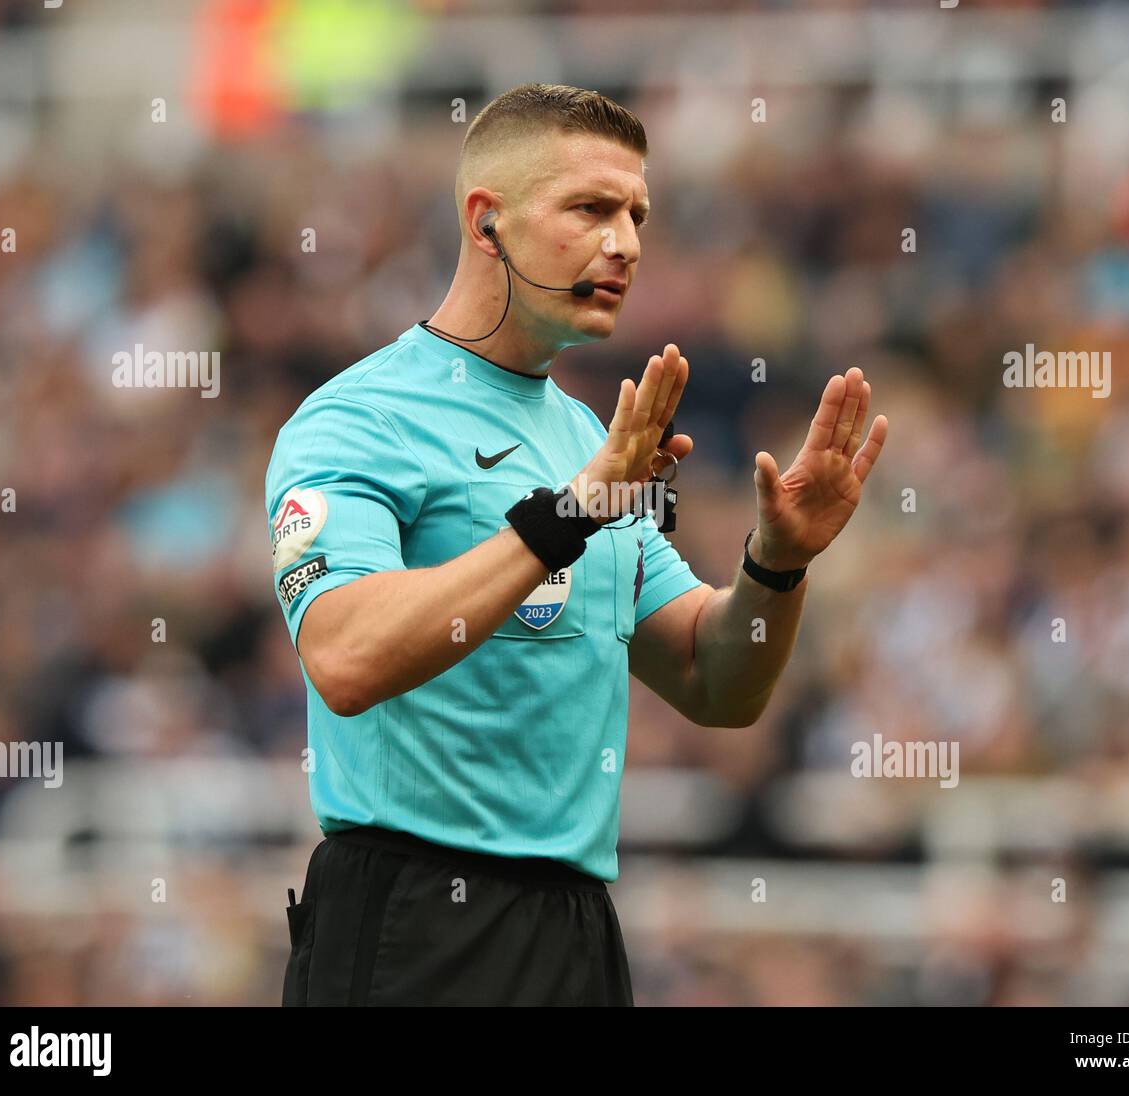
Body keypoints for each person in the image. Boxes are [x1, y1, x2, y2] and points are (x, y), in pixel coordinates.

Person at [266, 83, 887, 1006]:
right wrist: (570, 513)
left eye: (637, 214)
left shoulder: (590, 438)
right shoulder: (357, 420)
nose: (627, 242)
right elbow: (346, 658)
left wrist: (776, 563)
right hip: (416, 924)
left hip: (577, 930)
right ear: (488, 224)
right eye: (591, 209)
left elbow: (715, 682)